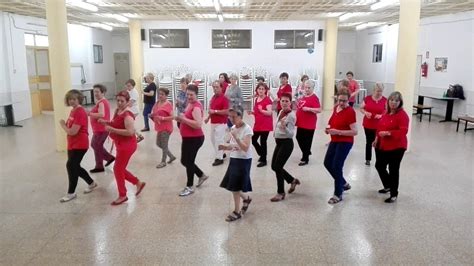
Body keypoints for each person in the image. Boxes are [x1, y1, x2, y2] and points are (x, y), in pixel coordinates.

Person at [99, 90, 146, 205]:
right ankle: (138, 183)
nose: (119, 103)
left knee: (117, 169)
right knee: (119, 169)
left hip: (127, 145)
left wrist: (113, 130)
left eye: (122, 101)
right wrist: (106, 122)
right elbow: (115, 123)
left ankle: (123, 195)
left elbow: (130, 132)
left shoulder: (127, 114)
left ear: (128, 101)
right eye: (118, 100)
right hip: (120, 144)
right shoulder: (118, 111)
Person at [59, 90, 97, 203]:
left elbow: (72, 131)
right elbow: (70, 127)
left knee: (71, 166)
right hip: (72, 144)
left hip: (80, 144)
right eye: (70, 99)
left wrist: (62, 125)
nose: (72, 101)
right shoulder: (73, 111)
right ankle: (91, 183)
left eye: (74, 99)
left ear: (79, 99)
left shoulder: (80, 111)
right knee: (75, 166)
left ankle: (71, 193)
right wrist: (66, 127)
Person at [324, 88, 358, 204]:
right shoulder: (335, 108)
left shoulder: (350, 112)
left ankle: (338, 193)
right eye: (340, 100)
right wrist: (328, 129)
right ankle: (343, 183)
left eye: (344, 101)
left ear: (348, 100)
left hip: (345, 141)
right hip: (334, 140)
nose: (341, 103)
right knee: (327, 163)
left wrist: (338, 132)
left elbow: (354, 131)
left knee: (337, 166)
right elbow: (332, 120)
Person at [373, 91, 409, 203]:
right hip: (383, 144)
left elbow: (403, 131)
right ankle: (388, 185)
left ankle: (394, 194)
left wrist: (389, 133)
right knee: (379, 165)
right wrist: (376, 139)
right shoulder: (385, 113)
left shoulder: (403, 115)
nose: (393, 103)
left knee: (393, 169)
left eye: (396, 101)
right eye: (391, 100)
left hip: (397, 146)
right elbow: (379, 127)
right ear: (388, 101)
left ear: (400, 102)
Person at [219, 107, 253, 222]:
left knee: (236, 186)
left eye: (234, 116)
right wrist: (225, 147)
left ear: (240, 116)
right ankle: (246, 198)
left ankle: (237, 212)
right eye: (230, 116)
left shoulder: (247, 129)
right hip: (234, 159)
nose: (231, 119)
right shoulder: (233, 128)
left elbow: (245, 147)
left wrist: (236, 136)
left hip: (243, 160)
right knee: (233, 185)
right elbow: (234, 146)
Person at [175, 85, 209, 197]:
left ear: (196, 94)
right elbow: (187, 117)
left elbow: (198, 124)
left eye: (191, 95)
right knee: (185, 161)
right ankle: (201, 175)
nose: (189, 96)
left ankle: (190, 186)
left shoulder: (197, 107)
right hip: (188, 138)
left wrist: (183, 119)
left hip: (194, 139)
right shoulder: (190, 104)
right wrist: (181, 116)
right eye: (187, 94)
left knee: (188, 161)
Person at [270, 93, 300, 202]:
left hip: (287, 143)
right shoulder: (281, 111)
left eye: (287, 101)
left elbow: (291, 134)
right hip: (279, 142)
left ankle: (280, 192)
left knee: (277, 167)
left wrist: (284, 127)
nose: (284, 103)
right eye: (282, 101)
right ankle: (292, 180)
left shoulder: (291, 115)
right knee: (274, 166)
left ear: (290, 102)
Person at [88, 84, 115, 173]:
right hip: (99, 129)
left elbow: (101, 114)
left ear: (103, 92)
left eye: (97, 92)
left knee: (96, 145)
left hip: (101, 129)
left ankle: (105, 161)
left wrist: (89, 113)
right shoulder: (101, 102)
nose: (95, 93)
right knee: (96, 146)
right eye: (94, 91)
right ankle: (102, 163)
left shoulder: (102, 102)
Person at [360, 83, 387, 166]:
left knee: (378, 142)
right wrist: (365, 112)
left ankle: (379, 160)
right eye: (377, 91)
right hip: (368, 124)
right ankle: (368, 159)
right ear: (374, 90)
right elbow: (361, 108)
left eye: (381, 91)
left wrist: (382, 115)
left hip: (379, 125)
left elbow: (387, 111)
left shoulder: (385, 100)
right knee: (369, 141)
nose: (379, 93)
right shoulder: (367, 98)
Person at [295, 80, 321, 166]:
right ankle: (306, 152)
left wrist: (309, 109)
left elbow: (319, 110)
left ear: (313, 88)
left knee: (307, 141)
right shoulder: (303, 96)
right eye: (305, 87)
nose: (307, 89)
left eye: (309, 88)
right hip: (300, 122)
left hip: (309, 124)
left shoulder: (314, 98)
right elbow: (300, 105)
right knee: (298, 137)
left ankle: (305, 158)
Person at [205, 81, 230, 166]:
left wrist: (215, 111)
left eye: (217, 87)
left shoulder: (224, 98)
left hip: (221, 122)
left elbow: (226, 111)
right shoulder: (213, 97)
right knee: (213, 139)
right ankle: (222, 153)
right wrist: (208, 118)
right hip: (213, 122)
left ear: (221, 88)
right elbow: (211, 110)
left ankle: (219, 158)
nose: (215, 89)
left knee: (219, 140)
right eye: (214, 87)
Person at [150, 88, 176, 169]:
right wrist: (151, 115)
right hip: (159, 127)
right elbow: (154, 112)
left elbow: (173, 117)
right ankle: (171, 156)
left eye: (162, 94)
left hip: (166, 128)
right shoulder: (157, 103)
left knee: (164, 145)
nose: (160, 96)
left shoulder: (168, 104)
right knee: (158, 144)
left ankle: (163, 161)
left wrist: (162, 118)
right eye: (159, 94)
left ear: (166, 95)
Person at [248, 83, 272, 167]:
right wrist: (252, 112)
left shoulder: (267, 100)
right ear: (257, 90)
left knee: (263, 141)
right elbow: (257, 112)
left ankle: (263, 159)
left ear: (265, 90)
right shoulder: (256, 99)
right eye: (259, 89)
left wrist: (262, 111)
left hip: (266, 124)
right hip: (258, 124)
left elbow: (269, 113)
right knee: (254, 139)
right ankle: (262, 154)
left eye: (262, 89)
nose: (261, 90)